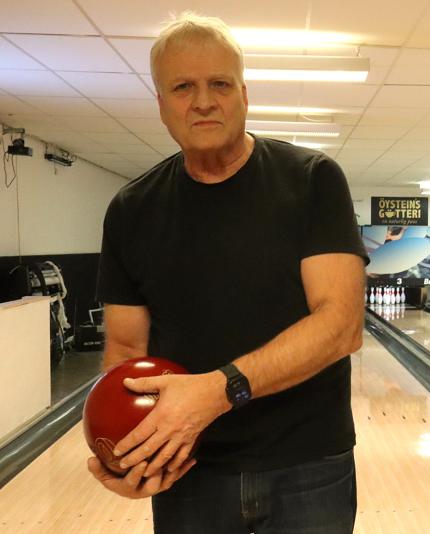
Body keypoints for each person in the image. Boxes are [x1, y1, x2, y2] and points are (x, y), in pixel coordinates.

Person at [88, 12, 366, 534]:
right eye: (183, 86)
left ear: (244, 93)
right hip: (190, 468)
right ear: (161, 105)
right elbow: (126, 353)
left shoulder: (312, 181)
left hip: (309, 464)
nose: (203, 100)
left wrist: (220, 390)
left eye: (219, 83)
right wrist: (124, 453)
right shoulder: (130, 210)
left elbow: (342, 325)